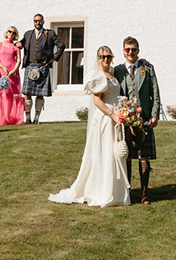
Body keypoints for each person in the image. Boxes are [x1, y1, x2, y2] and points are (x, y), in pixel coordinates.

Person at [49, 46, 131, 207]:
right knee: (105, 152)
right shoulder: (98, 76)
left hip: (116, 116)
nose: (106, 60)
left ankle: (117, 192)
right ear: (98, 58)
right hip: (106, 117)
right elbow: (96, 100)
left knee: (115, 153)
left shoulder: (113, 73)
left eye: (108, 57)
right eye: (102, 57)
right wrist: (112, 115)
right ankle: (102, 191)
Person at [114, 36, 161, 205]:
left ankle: (144, 195)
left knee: (144, 158)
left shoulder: (147, 69)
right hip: (125, 120)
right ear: (123, 51)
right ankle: (127, 194)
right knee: (126, 157)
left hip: (145, 119)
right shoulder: (118, 70)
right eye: (127, 49)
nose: (130, 52)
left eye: (133, 49)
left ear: (138, 50)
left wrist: (155, 114)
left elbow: (155, 94)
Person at [15, 13, 66, 124]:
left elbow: (61, 45)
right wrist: (17, 44)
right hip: (30, 65)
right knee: (26, 93)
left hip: (43, 66)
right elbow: (21, 43)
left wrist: (53, 58)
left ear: (43, 22)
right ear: (33, 22)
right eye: (35, 21)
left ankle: (36, 118)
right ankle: (27, 119)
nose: (37, 23)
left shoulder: (50, 34)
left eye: (39, 21)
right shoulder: (28, 34)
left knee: (40, 94)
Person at [0, 26, 25, 127]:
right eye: (10, 31)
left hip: (13, 73)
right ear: (6, 33)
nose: (11, 34)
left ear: (15, 36)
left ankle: (11, 118)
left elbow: (19, 60)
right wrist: (3, 68)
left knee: (12, 95)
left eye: (14, 33)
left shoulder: (16, 47)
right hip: (1, 72)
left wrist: (14, 71)